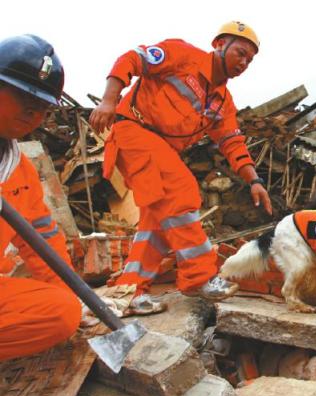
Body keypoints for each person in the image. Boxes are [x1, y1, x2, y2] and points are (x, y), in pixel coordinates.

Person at [90, 21, 272, 308]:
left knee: (156, 224)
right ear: (219, 45)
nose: (244, 62)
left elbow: (232, 142)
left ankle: (128, 291)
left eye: (249, 60)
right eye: (240, 53)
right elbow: (132, 58)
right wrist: (108, 100)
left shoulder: (223, 102)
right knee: (182, 189)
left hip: (160, 151)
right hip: (133, 132)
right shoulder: (181, 55)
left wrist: (255, 181)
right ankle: (200, 277)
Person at [0, 34, 81, 360]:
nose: (34, 111)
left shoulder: (19, 171)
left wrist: (75, 294)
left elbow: (42, 240)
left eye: (43, 106)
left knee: (62, 311)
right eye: (24, 96)